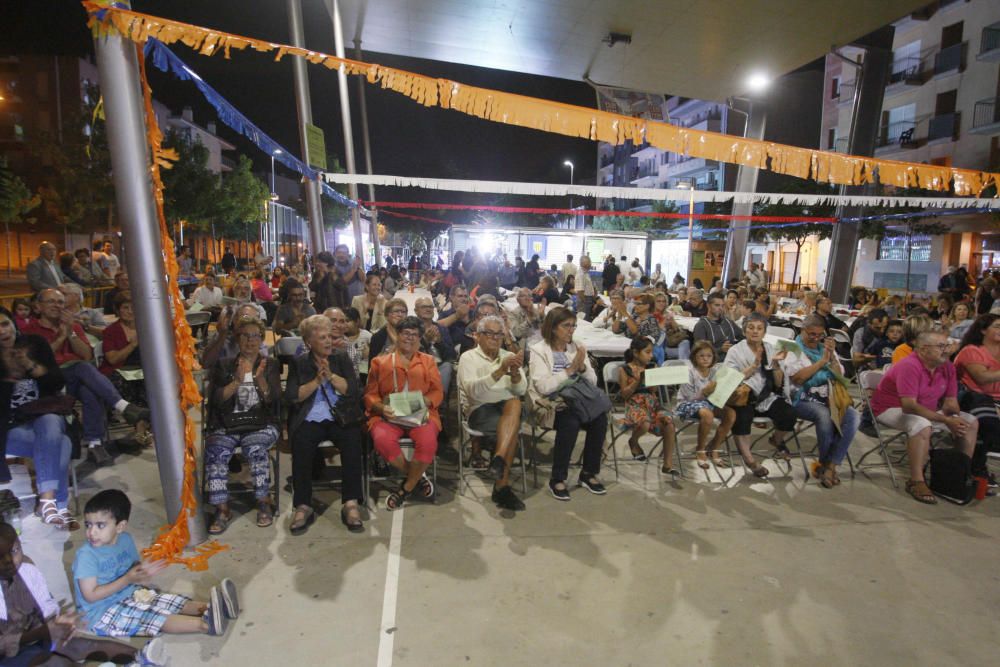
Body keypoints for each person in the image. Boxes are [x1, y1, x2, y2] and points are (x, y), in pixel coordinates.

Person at [0, 523, 170, 666]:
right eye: (1, 556)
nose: (9, 560)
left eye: (14, 551)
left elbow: (45, 602)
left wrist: (58, 622)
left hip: (39, 635)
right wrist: (42, 632)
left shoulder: (27, 567)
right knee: (55, 663)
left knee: (85, 645)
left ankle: (142, 657)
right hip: (7, 655)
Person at [73, 490, 237, 637]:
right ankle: (206, 625)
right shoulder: (86, 556)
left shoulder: (125, 539)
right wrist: (128, 579)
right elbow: (91, 596)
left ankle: (217, 608)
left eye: (100, 525)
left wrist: (142, 573)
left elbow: (133, 568)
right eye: (88, 525)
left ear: (120, 526)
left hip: (129, 593)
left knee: (171, 601)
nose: (91, 532)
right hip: (101, 613)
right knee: (154, 616)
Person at [22, 289, 149, 467]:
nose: (56, 306)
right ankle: (122, 408)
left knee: (89, 387)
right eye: (51, 302)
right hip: (49, 381)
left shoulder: (73, 326)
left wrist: (71, 333)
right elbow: (38, 362)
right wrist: (61, 337)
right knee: (83, 369)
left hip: (75, 378)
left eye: (60, 302)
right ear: (38, 306)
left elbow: (87, 354)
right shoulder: (30, 331)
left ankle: (95, 443)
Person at [869, 330, 978, 504]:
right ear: (923, 349)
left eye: (947, 345)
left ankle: (959, 473)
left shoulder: (947, 367)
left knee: (970, 422)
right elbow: (909, 406)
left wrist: (954, 418)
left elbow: (950, 402)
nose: (946, 350)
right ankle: (916, 480)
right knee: (921, 424)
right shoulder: (909, 366)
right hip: (891, 409)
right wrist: (945, 420)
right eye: (941, 346)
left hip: (927, 410)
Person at [205, 317, 281, 534]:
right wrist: (237, 381)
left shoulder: (270, 364)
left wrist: (260, 381)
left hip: (261, 424)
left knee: (256, 448)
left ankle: (263, 502)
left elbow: (274, 400)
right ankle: (222, 508)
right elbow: (217, 400)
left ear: (261, 339)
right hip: (227, 424)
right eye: (245, 336)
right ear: (237, 339)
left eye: (255, 335)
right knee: (216, 450)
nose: (250, 340)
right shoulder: (224, 364)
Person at [0, 325, 75, 529]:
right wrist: (8, 376)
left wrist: (31, 365)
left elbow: (57, 383)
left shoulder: (34, 345)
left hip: (44, 418)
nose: (2, 330)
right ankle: (58, 503)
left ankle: (47, 501)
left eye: (5, 324)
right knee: (63, 443)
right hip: (11, 429)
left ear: (13, 325)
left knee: (50, 421)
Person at [528, 307, 607, 501]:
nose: (571, 330)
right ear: (553, 328)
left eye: (573, 326)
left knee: (600, 419)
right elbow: (543, 387)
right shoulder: (538, 350)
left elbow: (592, 382)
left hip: (577, 399)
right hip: (550, 403)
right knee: (570, 421)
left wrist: (581, 366)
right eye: (566, 326)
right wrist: (571, 370)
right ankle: (558, 478)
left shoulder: (576, 347)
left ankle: (588, 473)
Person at [365, 316, 442, 510]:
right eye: (406, 333)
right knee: (381, 439)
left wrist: (426, 401)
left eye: (415, 335)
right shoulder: (379, 362)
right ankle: (417, 476)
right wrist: (381, 408)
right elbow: (370, 395)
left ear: (420, 339)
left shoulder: (428, 361)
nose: (410, 338)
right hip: (389, 417)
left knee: (428, 441)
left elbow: (437, 391)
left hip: (421, 415)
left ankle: (405, 488)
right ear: (397, 336)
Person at [457, 315, 528, 511]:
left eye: (499, 334)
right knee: (512, 426)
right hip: (480, 410)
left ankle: (498, 461)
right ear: (478, 336)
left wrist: (514, 373)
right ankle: (501, 488)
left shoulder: (508, 355)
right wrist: (499, 371)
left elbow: (521, 390)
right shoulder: (468, 358)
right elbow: (473, 392)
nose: (495, 338)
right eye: (489, 333)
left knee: (514, 402)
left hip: (506, 409)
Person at [781, 315, 859, 488]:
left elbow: (839, 375)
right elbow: (799, 379)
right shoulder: (792, 348)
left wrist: (831, 357)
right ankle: (824, 463)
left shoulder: (825, 348)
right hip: (799, 398)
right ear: (802, 330)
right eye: (811, 334)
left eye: (819, 335)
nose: (815, 338)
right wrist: (822, 362)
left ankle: (831, 465)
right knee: (824, 415)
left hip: (828, 397)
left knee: (853, 417)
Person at [723, 313, 797, 477]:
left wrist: (776, 365)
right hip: (743, 397)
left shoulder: (771, 349)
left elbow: (778, 384)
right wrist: (754, 365)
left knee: (789, 414)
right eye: (751, 328)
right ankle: (751, 461)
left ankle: (777, 440)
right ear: (744, 331)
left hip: (767, 397)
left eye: (759, 328)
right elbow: (729, 380)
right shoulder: (735, 351)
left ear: (764, 332)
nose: (755, 332)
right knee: (742, 418)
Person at [617, 337, 678, 472]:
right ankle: (634, 441)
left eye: (652, 352)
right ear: (635, 352)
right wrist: (637, 381)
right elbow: (624, 395)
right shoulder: (624, 369)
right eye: (647, 352)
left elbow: (654, 391)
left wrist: (651, 377)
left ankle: (667, 464)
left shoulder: (651, 366)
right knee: (644, 422)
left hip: (653, 404)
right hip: (634, 405)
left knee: (669, 424)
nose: (651, 355)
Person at [954, 314, 1000, 486]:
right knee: (988, 421)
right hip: (970, 398)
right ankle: (976, 468)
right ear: (982, 330)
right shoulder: (972, 350)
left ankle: (978, 467)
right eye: (997, 326)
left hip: (995, 400)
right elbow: (982, 378)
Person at [100, 294, 151, 447]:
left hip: (142, 371)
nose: (130, 311)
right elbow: (113, 359)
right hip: (117, 370)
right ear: (118, 310)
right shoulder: (111, 331)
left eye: (133, 307)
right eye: (125, 308)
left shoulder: (146, 328)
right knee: (128, 385)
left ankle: (142, 429)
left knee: (151, 384)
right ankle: (141, 428)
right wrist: (133, 345)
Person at [676, 340, 735, 468]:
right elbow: (690, 397)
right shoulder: (689, 372)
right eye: (701, 356)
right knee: (707, 414)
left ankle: (714, 447)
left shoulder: (715, 372)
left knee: (730, 413)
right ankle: (700, 449)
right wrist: (705, 391)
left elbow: (719, 395)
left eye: (709, 356)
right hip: (688, 403)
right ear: (694, 357)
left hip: (710, 403)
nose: (705, 359)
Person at [415, 296, 455, 396]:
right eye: (424, 307)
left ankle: (439, 399)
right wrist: (426, 341)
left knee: (447, 366)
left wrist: (439, 342)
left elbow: (451, 355)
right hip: (418, 365)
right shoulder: (412, 329)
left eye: (430, 307)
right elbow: (410, 353)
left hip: (439, 365)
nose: (428, 309)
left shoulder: (441, 329)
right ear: (416, 311)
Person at [693, 292, 743, 358]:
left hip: (733, 359)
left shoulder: (728, 322)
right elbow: (700, 352)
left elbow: (742, 336)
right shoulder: (701, 326)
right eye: (717, 305)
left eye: (722, 306)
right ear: (708, 305)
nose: (720, 308)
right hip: (713, 362)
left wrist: (735, 346)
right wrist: (721, 349)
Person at [343, 307, 372, 375]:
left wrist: (367, 356)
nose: (344, 324)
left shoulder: (367, 336)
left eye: (347, 321)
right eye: (342, 321)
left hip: (364, 374)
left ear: (357, 321)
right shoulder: (340, 338)